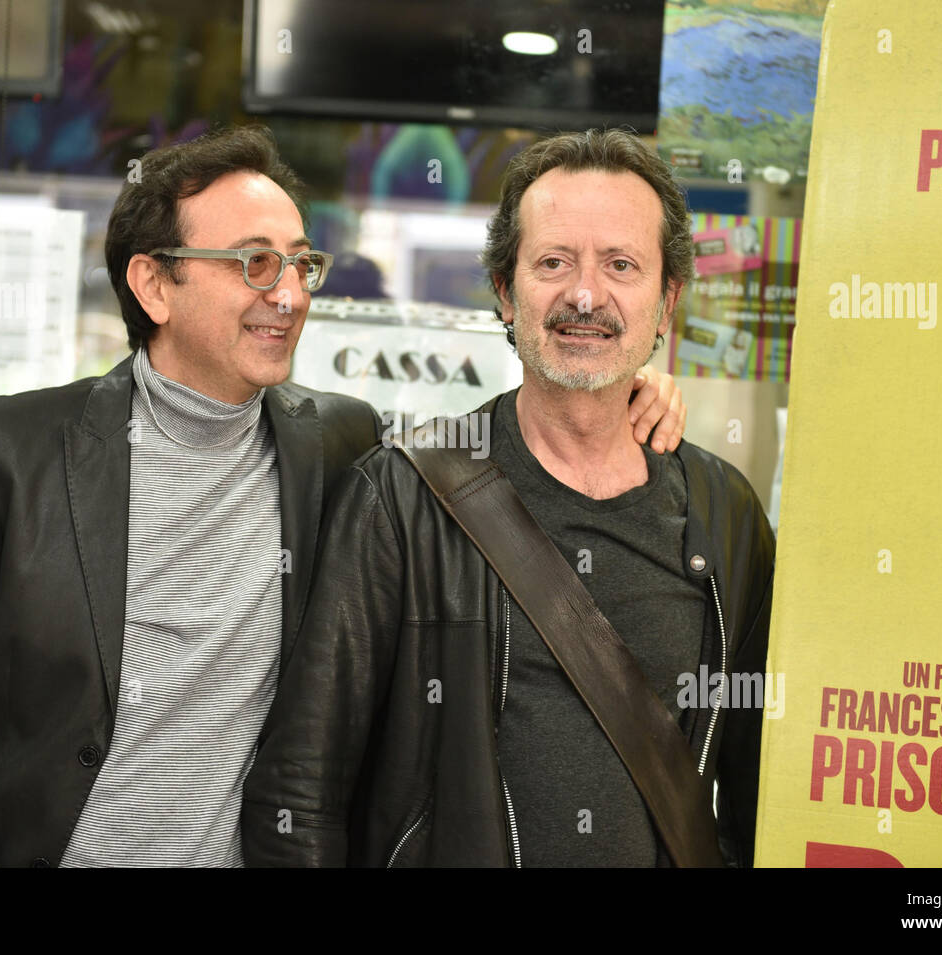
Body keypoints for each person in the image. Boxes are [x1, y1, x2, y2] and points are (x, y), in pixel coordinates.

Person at [0, 125, 687, 867]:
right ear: (153, 285)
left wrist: (625, 388)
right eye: (254, 263)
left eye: (300, 263)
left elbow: (508, 437)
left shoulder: (339, 445)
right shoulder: (1, 452)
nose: (290, 294)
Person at [242, 129, 774, 867]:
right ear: (504, 289)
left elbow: (757, 796)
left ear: (667, 299)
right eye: (553, 262)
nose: (586, 295)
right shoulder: (400, 499)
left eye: (621, 265)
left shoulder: (728, 516)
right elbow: (299, 791)